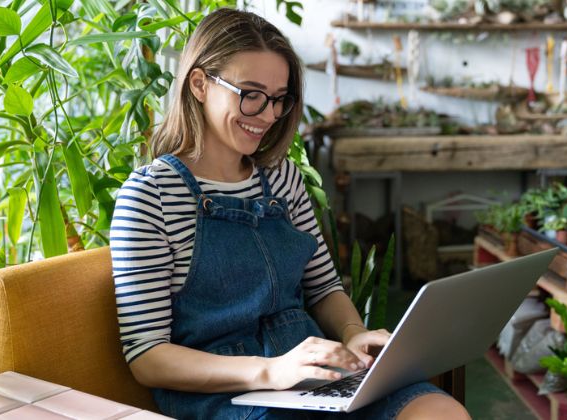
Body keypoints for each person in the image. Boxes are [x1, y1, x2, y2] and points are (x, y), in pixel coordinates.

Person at [110, 8, 470, 420]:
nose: (267, 115)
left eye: (279, 99)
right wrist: (270, 370)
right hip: (226, 393)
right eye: (251, 93)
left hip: (314, 373)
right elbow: (147, 356)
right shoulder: (149, 196)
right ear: (199, 84)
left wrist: (354, 335)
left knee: (440, 410)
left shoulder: (282, 178)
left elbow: (322, 287)